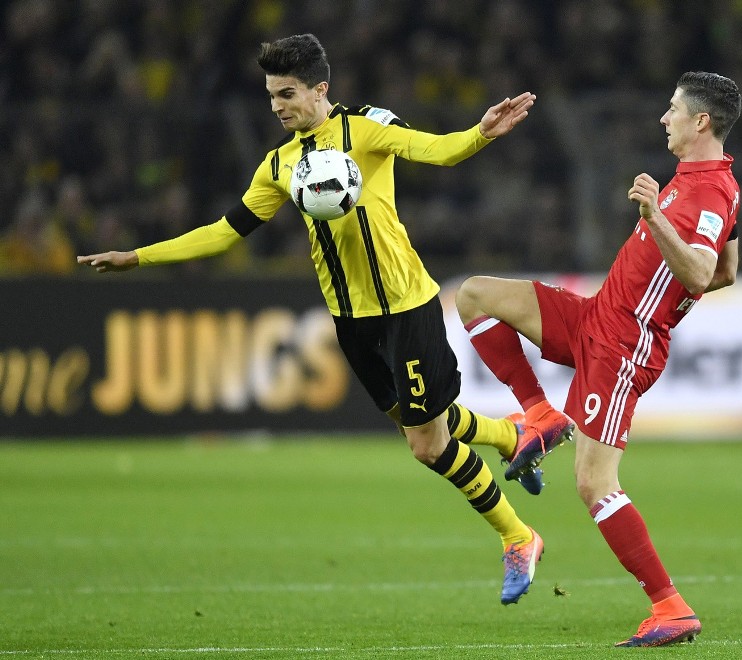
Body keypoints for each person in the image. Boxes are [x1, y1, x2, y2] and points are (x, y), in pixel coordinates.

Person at [77, 33, 573, 605]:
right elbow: (224, 231)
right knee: (419, 426)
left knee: (427, 444)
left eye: (286, 93)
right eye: (270, 96)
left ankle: (518, 536)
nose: (276, 106)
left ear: (321, 90)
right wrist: (139, 256)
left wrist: (480, 134)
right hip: (350, 321)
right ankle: (518, 435)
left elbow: (434, 150)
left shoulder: (366, 129)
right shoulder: (280, 165)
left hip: (406, 306)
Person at [455, 71, 742, 644]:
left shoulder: (709, 191)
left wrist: (654, 220)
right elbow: (730, 272)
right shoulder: (707, 183)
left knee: (593, 482)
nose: (665, 118)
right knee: (475, 296)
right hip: (596, 318)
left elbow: (705, 273)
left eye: (673, 109)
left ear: (701, 121)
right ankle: (538, 414)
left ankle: (670, 607)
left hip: (624, 344)